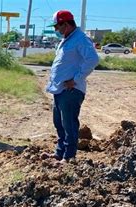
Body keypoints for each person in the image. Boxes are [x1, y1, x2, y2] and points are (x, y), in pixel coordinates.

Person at [46, 10, 99, 163]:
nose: (56, 30)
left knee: (69, 124)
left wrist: (76, 79)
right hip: (60, 89)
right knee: (59, 123)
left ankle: (69, 157)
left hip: (71, 90)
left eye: (57, 26)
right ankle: (60, 153)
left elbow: (93, 59)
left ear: (66, 24)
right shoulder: (67, 39)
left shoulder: (80, 39)